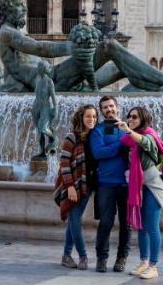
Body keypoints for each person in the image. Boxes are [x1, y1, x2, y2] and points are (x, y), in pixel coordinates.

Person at [120, 105, 163, 281]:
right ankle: (144, 262)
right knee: (141, 228)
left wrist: (128, 131)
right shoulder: (130, 141)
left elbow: (144, 142)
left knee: (152, 228)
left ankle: (154, 266)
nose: (131, 120)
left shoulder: (149, 136)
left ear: (143, 120)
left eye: (135, 117)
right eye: (129, 117)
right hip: (140, 189)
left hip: (154, 190)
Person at [88, 94, 131, 273]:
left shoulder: (126, 128)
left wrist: (124, 138)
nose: (109, 109)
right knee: (105, 222)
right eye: (105, 107)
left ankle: (122, 258)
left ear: (117, 107)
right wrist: (120, 145)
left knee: (126, 223)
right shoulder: (97, 130)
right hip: (105, 183)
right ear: (102, 110)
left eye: (111, 106)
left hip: (127, 184)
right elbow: (98, 153)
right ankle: (102, 258)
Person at [54, 104, 98, 270]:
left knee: (74, 220)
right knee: (75, 219)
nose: (91, 119)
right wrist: (70, 186)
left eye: (94, 116)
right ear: (81, 117)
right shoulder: (71, 137)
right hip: (73, 184)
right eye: (88, 116)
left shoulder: (94, 137)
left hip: (88, 186)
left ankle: (66, 255)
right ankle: (83, 256)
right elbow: (64, 163)